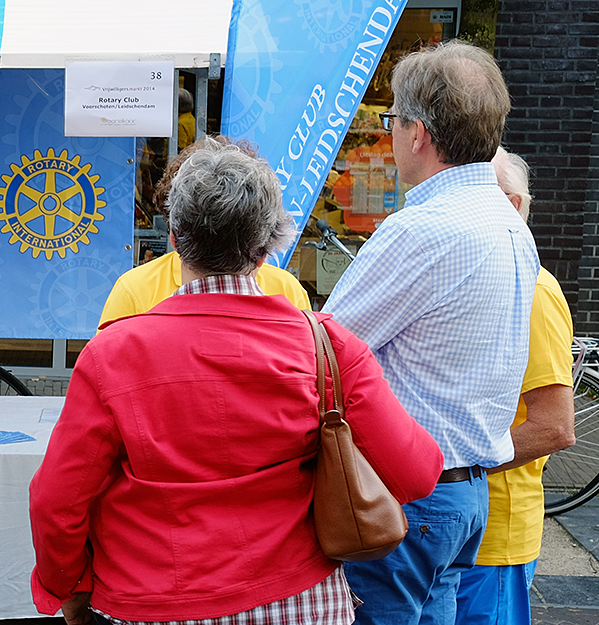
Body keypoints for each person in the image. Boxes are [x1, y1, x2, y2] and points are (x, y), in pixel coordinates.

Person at [29, 141, 443, 625]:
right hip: (297, 600)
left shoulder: (111, 355)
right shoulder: (327, 345)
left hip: (151, 600)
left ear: (175, 235)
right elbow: (417, 473)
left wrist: (68, 588)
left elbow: (57, 500)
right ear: (268, 243)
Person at [323, 40, 539, 624]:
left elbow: (324, 352)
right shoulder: (510, 224)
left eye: (392, 121)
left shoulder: (421, 229)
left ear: (416, 132)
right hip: (466, 492)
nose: (390, 135)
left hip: (406, 495)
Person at [453, 147, 575, 625]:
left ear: (515, 205)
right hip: (468, 526)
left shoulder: (537, 291)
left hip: (496, 537)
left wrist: (457, 467)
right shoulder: (487, 276)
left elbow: (554, 427)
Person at [100, 135, 310, 325]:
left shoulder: (287, 289)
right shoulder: (135, 289)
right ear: (263, 249)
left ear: (174, 236)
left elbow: (107, 360)